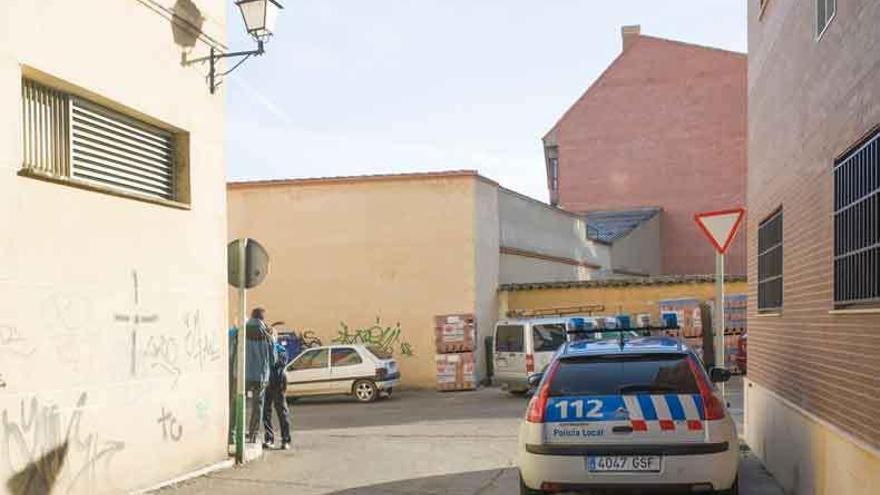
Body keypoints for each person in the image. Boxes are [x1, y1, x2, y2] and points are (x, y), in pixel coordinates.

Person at [245, 306, 274, 444]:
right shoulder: (267, 335)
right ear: (263, 318)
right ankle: (252, 435)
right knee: (257, 406)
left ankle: (235, 432)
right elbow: (273, 359)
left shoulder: (242, 331)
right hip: (260, 376)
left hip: (243, 374)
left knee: (239, 403)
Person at [262, 325, 291, 449]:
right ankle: (269, 439)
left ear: (275, 337)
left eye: (271, 336)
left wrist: (272, 345)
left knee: (282, 413)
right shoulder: (263, 350)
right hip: (266, 384)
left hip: (278, 384)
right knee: (266, 413)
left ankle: (285, 440)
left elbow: (278, 363)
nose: (269, 339)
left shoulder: (281, 350)